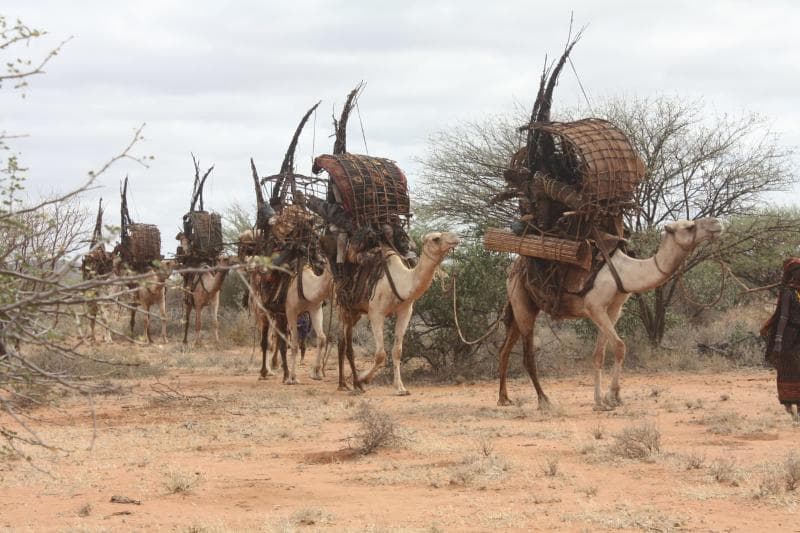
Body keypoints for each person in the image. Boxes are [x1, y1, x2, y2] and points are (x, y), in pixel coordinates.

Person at [763, 257, 800, 419]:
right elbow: (783, 317)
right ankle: (787, 404)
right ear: (793, 274)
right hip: (788, 336)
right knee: (787, 370)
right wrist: (778, 341)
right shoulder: (788, 292)